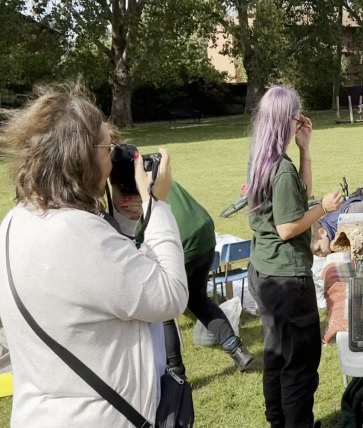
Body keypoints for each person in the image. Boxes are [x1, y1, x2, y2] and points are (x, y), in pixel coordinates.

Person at [0, 81, 187, 426]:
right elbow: (170, 294)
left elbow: (107, 278)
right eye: (108, 148)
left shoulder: (16, 221)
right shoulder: (78, 234)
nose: (114, 158)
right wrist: (154, 204)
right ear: (80, 156)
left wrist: (123, 219)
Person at [246, 85, 344, 428]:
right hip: (286, 281)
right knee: (299, 366)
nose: (300, 120)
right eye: (295, 116)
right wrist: (324, 208)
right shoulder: (281, 170)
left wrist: (305, 150)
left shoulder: (263, 159)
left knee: (276, 356)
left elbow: (297, 198)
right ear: (283, 121)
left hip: (263, 272)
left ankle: (279, 422)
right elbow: (288, 226)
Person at [108, 163, 255, 373]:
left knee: (165, 309)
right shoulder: (158, 174)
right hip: (204, 232)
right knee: (198, 299)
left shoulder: (136, 198)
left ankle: (175, 368)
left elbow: (140, 234)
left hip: (183, 239)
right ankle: (237, 350)